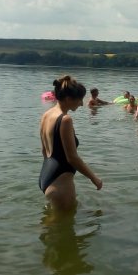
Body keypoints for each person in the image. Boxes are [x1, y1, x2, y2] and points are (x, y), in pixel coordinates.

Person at [39, 75, 102, 211]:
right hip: (60, 182)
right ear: (68, 99)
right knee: (63, 228)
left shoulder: (46, 115)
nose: (81, 104)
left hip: (46, 175)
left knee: (51, 227)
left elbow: (44, 151)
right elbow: (72, 158)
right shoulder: (65, 120)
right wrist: (94, 178)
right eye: (79, 100)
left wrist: (50, 176)